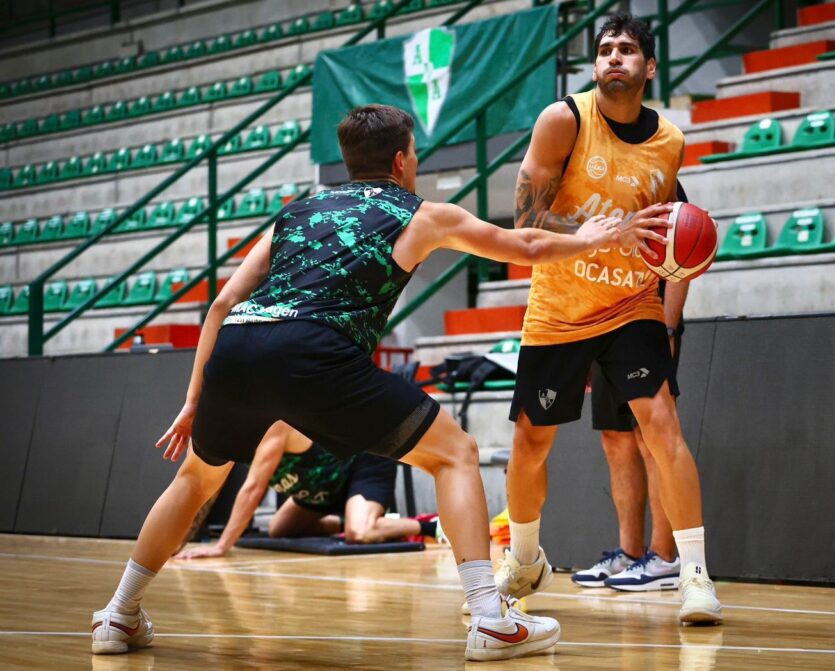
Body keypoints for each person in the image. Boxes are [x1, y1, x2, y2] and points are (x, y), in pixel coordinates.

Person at [90, 103, 664, 661]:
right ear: (400, 161)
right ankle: (491, 619)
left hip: (239, 347)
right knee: (457, 455)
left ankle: (119, 612)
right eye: (414, 152)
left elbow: (220, 303)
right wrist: (595, 238)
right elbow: (528, 245)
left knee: (194, 481)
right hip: (315, 350)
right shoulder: (420, 213)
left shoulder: (297, 210)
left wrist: (194, 400)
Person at [498, 13, 723, 624]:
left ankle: (695, 578)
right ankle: (522, 558)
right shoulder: (564, 120)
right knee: (530, 442)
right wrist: (593, 234)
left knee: (662, 428)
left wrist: (684, 262)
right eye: (604, 49)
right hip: (560, 309)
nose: (614, 57)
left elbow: (668, 232)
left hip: (632, 306)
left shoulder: (670, 142)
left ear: (650, 67)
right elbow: (524, 224)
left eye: (627, 49)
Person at [174, 421, 438, 561]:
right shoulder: (231, 430)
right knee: (280, 528)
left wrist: (221, 546)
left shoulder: (272, 424)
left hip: (360, 462)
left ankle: (429, 526)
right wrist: (179, 542)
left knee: (360, 534)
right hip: (320, 487)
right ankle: (362, 517)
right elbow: (207, 487)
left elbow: (253, 489)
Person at [573, 295, 687, 592]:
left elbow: (679, 264)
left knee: (651, 439)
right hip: (603, 320)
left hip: (647, 318)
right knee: (614, 435)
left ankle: (663, 557)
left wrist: (669, 328)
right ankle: (630, 553)